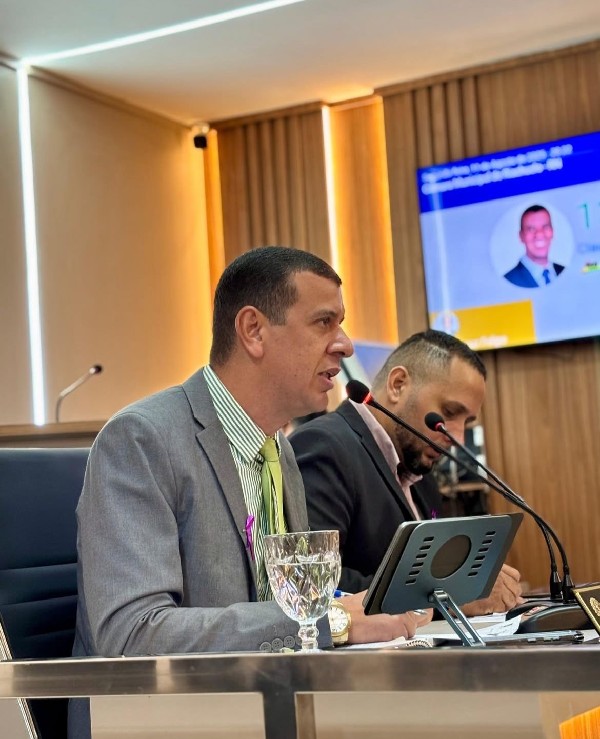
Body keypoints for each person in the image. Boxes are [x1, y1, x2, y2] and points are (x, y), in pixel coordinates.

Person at [69, 246, 431, 737]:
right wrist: (331, 621)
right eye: (324, 322)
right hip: (161, 724)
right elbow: (131, 635)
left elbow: (285, 601)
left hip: (266, 708)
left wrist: (368, 607)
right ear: (254, 330)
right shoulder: (142, 440)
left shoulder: (278, 450)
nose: (345, 345)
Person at [290, 329, 524, 615]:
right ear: (398, 385)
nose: (458, 438)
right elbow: (313, 582)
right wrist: (450, 596)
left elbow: (429, 573)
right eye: (449, 412)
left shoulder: (421, 472)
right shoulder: (324, 446)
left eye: (468, 421)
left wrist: (471, 577)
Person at [503, 205, 565, 287]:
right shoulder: (507, 281)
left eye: (545, 227)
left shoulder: (566, 272)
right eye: (531, 229)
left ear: (552, 231)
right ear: (521, 236)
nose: (539, 234)